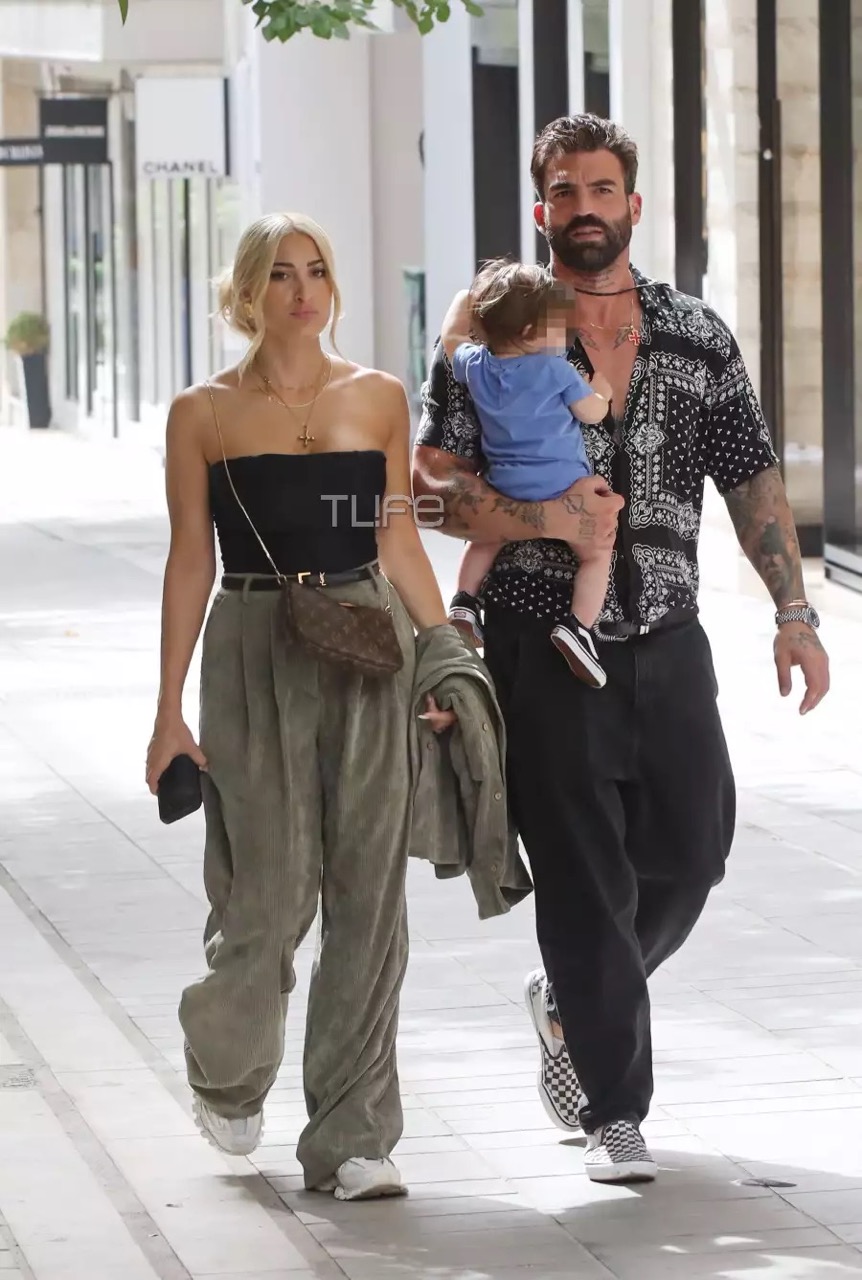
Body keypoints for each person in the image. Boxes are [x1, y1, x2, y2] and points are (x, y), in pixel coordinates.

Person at [413, 114, 830, 1185]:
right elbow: (430, 487)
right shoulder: (489, 335)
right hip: (540, 640)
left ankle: (574, 997)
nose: (585, 206)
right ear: (541, 209)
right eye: (566, 190)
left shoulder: (696, 333)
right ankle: (614, 1109)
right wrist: (543, 521)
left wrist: (793, 611)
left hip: (668, 634)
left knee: (695, 849)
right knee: (583, 879)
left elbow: (751, 477)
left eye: (603, 188)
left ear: (633, 205)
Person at [145, 211, 459, 1203]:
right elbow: (189, 559)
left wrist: (446, 655)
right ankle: (229, 1064)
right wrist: (167, 710)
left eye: (316, 270)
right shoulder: (201, 413)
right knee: (268, 890)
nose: (302, 290)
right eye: (280, 274)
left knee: (369, 891)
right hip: (250, 647)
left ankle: (353, 1137)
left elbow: (398, 539)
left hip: (368, 644)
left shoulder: (377, 396)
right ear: (248, 292)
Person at [440, 259, 614, 687]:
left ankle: (464, 602)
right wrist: (602, 392)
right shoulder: (555, 368)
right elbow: (591, 413)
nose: (565, 334)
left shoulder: (477, 367)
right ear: (532, 332)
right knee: (596, 553)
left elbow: (450, 339)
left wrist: (466, 301)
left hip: (504, 485)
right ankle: (578, 628)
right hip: (563, 486)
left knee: (485, 540)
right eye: (558, 326)